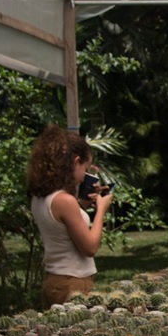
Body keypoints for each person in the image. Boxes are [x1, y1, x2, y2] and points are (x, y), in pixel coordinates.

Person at [28, 124, 111, 309]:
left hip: (54, 280)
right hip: (73, 283)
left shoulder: (41, 196)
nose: (84, 177)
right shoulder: (65, 201)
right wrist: (101, 211)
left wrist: (82, 206)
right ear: (75, 162)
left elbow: (60, 227)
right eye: (85, 168)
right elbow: (89, 247)